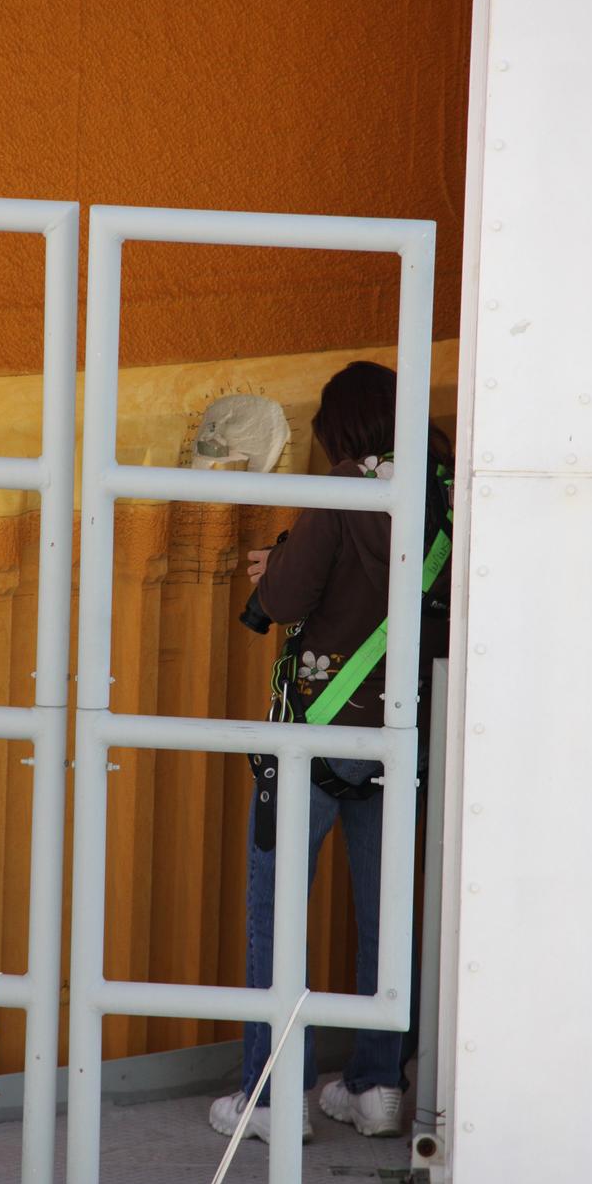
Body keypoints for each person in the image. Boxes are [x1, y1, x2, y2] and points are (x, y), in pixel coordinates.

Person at [209, 361, 452, 1144]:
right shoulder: (445, 490)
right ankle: (378, 1088)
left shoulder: (344, 488)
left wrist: (274, 563)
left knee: (276, 911)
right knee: (388, 911)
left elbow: (281, 602)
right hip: (403, 728)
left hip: (315, 727)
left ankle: (273, 1097)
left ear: (340, 427)